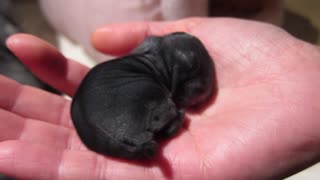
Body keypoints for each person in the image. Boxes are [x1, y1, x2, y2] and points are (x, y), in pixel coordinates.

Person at [0, 17, 319, 179]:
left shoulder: (143, 61)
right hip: (124, 116)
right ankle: (151, 129)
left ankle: (148, 131)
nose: (199, 95)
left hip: (116, 119)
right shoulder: (137, 75)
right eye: (192, 83)